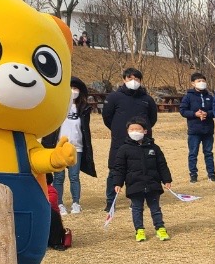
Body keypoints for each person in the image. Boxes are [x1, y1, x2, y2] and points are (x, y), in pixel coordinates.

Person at [101, 67, 158, 212]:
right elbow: (107, 117)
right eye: (130, 78)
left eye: (136, 79)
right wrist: (118, 129)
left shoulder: (147, 99)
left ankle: (136, 199)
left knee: (138, 170)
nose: (133, 82)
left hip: (141, 142)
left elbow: (152, 118)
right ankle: (110, 201)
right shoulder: (114, 97)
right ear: (124, 80)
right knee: (115, 170)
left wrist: (142, 131)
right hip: (120, 141)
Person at [110, 118, 172, 242]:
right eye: (131, 129)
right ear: (127, 131)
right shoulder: (124, 149)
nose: (134, 131)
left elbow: (162, 165)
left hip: (152, 183)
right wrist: (118, 183)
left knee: (155, 208)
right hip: (134, 184)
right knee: (137, 208)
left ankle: (160, 228)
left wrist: (167, 180)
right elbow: (119, 168)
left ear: (144, 131)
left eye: (137, 129)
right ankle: (139, 230)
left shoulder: (154, 148)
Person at [48, 76, 95, 214]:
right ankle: (59, 203)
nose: (73, 91)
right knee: (59, 177)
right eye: (70, 88)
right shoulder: (58, 106)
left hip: (77, 147)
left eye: (75, 88)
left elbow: (84, 129)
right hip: (59, 146)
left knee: (74, 177)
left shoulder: (83, 109)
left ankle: (76, 203)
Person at [179, 71, 215, 183]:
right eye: (199, 81)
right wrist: (194, 114)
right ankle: (193, 174)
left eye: (203, 81)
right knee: (193, 153)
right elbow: (183, 110)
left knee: (209, 153)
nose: (201, 83)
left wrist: (207, 114)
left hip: (208, 130)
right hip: (194, 130)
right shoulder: (188, 97)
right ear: (193, 83)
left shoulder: (210, 97)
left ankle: (211, 174)